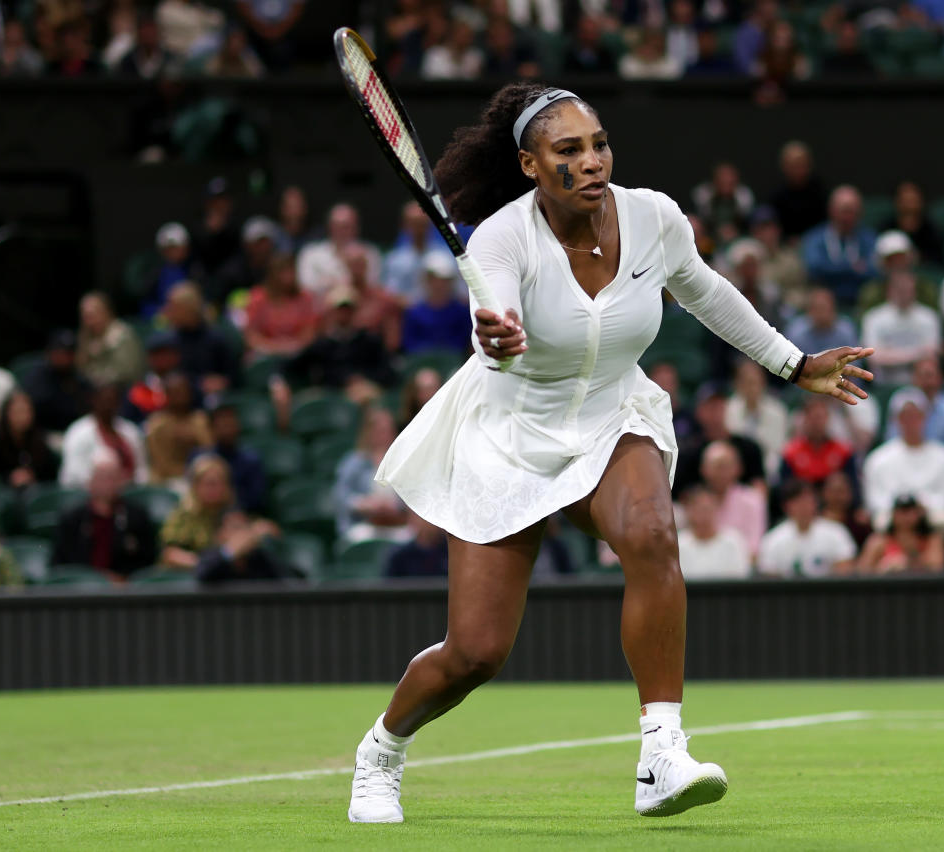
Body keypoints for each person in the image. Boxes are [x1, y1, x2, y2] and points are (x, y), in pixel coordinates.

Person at [347, 83, 875, 824]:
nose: (592, 161)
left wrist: (793, 363)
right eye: (569, 150)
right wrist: (493, 338)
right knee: (475, 655)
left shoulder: (654, 216)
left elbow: (708, 292)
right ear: (530, 165)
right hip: (509, 437)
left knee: (653, 535)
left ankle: (662, 752)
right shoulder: (500, 239)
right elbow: (491, 318)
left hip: (610, 412)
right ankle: (381, 751)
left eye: (599, 144)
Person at [53, 447, 158, 581]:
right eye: (102, 477)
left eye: (113, 477)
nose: (108, 484)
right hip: (79, 592)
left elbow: (149, 565)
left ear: (121, 481)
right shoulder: (72, 519)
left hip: (124, 594)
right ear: (90, 481)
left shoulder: (137, 517)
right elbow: (59, 566)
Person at [864, 388, 944, 530]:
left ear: (925, 418)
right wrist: (902, 509)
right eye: (905, 416)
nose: (910, 422)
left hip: (931, 515)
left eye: (915, 416)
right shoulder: (878, 459)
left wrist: (922, 506)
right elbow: (875, 500)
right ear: (896, 420)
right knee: (881, 522)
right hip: (893, 516)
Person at [674, 382, 767, 496]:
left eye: (719, 405)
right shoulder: (690, 453)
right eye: (710, 407)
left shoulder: (749, 448)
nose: (716, 412)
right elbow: (681, 494)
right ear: (699, 412)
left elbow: (759, 489)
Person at [334, 407, 410, 544]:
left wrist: (395, 506)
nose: (384, 435)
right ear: (369, 433)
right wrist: (364, 504)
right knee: (357, 539)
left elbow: (412, 497)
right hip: (364, 524)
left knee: (410, 539)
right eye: (379, 431)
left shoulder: (403, 463)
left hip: (396, 525)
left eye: (388, 431)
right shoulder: (353, 462)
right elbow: (341, 496)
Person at [758, 479, 857, 578]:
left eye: (807, 500)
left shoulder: (837, 532)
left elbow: (845, 569)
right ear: (786, 506)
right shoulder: (772, 539)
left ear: (815, 503)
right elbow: (769, 575)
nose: (803, 506)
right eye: (797, 502)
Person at [861, 268, 942, 387]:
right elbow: (873, 357)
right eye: (900, 289)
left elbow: (932, 355)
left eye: (908, 289)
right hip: (884, 384)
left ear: (914, 290)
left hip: (920, 385)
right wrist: (916, 354)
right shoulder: (873, 318)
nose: (904, 294)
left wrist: (890, 355)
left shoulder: (928, 317)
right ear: (889, 290)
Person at [59, 383, 148, 488]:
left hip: (128, 493)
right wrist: (108, 484)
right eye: (104, 401)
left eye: (112, 401)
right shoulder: (78, 432)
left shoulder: (130, 430)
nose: (108, 406)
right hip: (86, 494)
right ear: (94, 401)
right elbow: (74, 473)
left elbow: (141, 469)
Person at [801, 186, 877, 307]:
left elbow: (874, 270)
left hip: (860, 298)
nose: (848, 217)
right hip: (826, 296)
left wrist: (833, 269)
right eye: (844, 211)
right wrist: (852, 267)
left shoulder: (868, 238)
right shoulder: (815, 238)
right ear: (832, 210)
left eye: (853, 212)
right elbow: (814, 268)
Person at [160, 281, 238, 399]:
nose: (167, 311)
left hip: (210, 400)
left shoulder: (216, 339)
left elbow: (235, 378)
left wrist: (223, 382)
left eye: (173, 307)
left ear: (189, 309)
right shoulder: (169, 341)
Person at [296, 203, 382, 309]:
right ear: (329, 227)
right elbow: (306, 288)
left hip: (359, 311)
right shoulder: (311, 253)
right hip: (320, 311)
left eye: (346, 226)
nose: (341, 231)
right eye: (336, 226)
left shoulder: (370, 253)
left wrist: (329, 283)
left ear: (357, 227)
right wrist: (346, 283)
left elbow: (372, 285)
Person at [189, 400, 266, 515]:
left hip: (239, 516)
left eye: (230, 424)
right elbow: (191, 494)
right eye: (222, 425)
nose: (227, 429)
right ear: (211, 428)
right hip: (202, 516)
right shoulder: (199, 458)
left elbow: (256, 500)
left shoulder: (251, 460)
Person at [159, 454, 234, 569]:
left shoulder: (231, 515)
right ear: (196, 486)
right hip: (187, 575)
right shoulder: (184, 514)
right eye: (209, 484)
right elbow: (170, 554)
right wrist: (204, 564)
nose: (214, 489)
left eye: (219, 483)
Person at [699, 440, 768, 559]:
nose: (721, 473)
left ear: (738, 469)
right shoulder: (696, 503)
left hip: (740, 572)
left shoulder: (753, 500)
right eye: (716, 466)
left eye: (725, 466)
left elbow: (755, 548)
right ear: (704, 469)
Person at [724, 359, 791, 481]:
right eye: (745, 382)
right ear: (737, 384)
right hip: (734, 473)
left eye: (754, 382)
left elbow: (778, 450)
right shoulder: (727, 409)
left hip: (768, 472)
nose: (751, 387)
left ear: (763, 383)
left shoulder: (778, 411)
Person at [886, 355, 944, 448]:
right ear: (914, 378)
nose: (926, 382)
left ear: (940, 378)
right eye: (921, 376)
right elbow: (892, 443)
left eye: (930, 375)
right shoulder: (900, 404)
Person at [242, 253, 316, 359]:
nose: (288, 276)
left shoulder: (304, 297)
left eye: (291, 271)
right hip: (265, 353)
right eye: (283, 271)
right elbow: (250, 334)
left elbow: (309, 332)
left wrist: (293, 346)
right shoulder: (258, 298)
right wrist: (273, 347)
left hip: (297, 353)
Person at [0, 391, 57, 489]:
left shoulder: (40, 439)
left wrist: (32, 475)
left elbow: (50, 473)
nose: (22, 417)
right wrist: (9, 478)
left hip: (36, 490)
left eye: (26, 411)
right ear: (7, 413)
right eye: (17, 412)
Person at [20, 330, 92, 435]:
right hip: (42, 434)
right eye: (60, 352)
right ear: (50, 353)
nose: (64, 358)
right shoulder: (36, 378)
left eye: (69, 353)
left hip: (74, 433)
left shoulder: (79, 379)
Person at [145, 372, 210, 487]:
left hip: (199, 478)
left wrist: (193, 436)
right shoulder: (157, 424)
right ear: (166, 394)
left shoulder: (200, 420)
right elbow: (161, 465)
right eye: (175, 392)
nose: (180, 396)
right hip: (167, 481)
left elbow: (209, 451)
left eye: (183, 391)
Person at [854, 494, 944, 575]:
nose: (906, 517)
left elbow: (937, 568)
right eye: (902, 512)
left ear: (919, 514)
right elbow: (862, 571)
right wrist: (883, 568)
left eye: (911, 511)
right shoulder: (878, 541)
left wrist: (908, 562)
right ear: (893, 515)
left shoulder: (932, 540)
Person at [401, 252, 473, 355]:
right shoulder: (414, 312)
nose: (439, 285)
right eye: (434, 279)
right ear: (426, 280)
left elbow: (465, 343)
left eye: (444, 281)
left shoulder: (461, 312)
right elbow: (409, 344)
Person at [779, 395, 856, 488]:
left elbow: (853, 487)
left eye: (820, 417)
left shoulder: (843, 452)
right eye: (813, 418)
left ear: (827, 418)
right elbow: (785, 489)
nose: (816, 423)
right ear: (805, 419)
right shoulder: (791, 453)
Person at [676, 485, 750, 580]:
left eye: (706, 509)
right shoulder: (678, 544)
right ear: (689, 511)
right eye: (698, 510)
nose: (703, 516)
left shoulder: (734, 541)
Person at [856, 230, 938, 316]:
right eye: (891, 260)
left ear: (911, 259)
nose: (897, 263)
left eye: (902, 258)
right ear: (882, 264)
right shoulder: (870, 294)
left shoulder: (927, 291)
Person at [195, 509, 289, 583]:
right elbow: (203, 575)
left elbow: (288, 581)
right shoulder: (210, 555)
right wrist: (230, 551)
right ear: (220, 534)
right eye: (235, 528)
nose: (242, 534)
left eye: (245, 528)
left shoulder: (260, 557)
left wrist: (275, 541)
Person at [77, 291, 144, 388]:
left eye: (93, 315)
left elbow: (125, 372)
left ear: (107, 312)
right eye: (86, 316)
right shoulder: (86, 336)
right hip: (95, 390)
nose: (89, 321)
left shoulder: (122, 335)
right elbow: (80, 369)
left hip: (124, 391)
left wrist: (93, 377)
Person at [767, 141, 828, 242]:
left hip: (819, 243)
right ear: (784, 167)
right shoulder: (776, 196)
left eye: (801, 164)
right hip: (786, 246)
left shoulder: (820, 191)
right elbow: (773, 227)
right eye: (793, 165)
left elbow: (828, 225)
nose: (798, 170)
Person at [881, 181, 944, 267]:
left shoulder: (932, 231)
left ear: (921, 202)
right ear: (897, 202)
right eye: (905, 201)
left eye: (913, 201)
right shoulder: (887, 228)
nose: (909, 206)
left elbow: (937, 261)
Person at [691, 162, 756, 246]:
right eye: (722, 183)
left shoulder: (744, 198)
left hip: (739, 241)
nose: (726, 188)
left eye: (730, 183)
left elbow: (748, 225)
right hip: (709, 239)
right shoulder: (703, 198)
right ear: (714, 181)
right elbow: (700, 221)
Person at [787, 287, 859, 357]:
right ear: (809, 311)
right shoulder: (796, 332)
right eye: (816, 309)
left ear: (833, 310)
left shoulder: (846, 330)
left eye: (823, 308)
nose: (820, 313)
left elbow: (854, 362)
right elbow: (788, 363)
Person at [385, 512, 449, 578]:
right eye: (422, 518)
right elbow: (388, 586)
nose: (428, 524)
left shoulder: (451, 554)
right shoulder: (400, 556)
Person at [820, 468, 872, 547]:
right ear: (824, 493)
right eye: (833, 491)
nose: (837, 497)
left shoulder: (859, 523)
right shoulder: (815, 521)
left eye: (841, 491)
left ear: (850, 493)